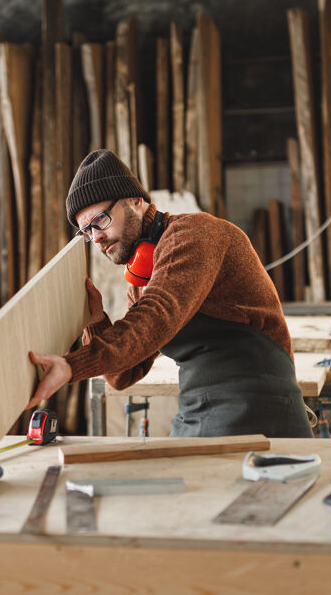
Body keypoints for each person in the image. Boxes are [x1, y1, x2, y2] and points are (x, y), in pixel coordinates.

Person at [27, 149, 313, 438]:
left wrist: (70, 366)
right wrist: (95, 318)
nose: (96, 237)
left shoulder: (194, 234)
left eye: (100, 220)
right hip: (200, 410)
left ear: (135, 201)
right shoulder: (142, 279)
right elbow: (123, 375)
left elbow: (157, 314)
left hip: (257, 408)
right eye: (86, 231)